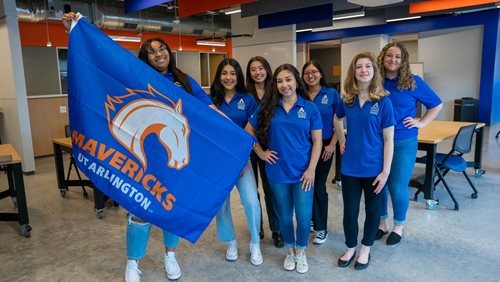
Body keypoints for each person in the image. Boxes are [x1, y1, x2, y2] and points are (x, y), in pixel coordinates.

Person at [62, 12, 223, 282]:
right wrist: (75, 32)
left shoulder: (185, 81)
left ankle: (170, 256)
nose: (158, 54)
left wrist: (237, 133)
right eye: (152, 51)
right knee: (139, 210)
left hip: (173, 158)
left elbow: (210, 110)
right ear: (145, 58)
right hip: (144, 159)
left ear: (169, 52)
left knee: (174, 207)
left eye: (162, 49)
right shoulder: (136, 76)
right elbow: (104, 61)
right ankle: (133, 262)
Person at [245, 64, 322, 274]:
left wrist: (312, 169)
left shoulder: (310, 108)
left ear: (296, 81)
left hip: (303, 173)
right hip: (277, 172)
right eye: (279, 81)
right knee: (285, 215)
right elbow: (248, 130)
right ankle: (290, 250)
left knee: (304, 215)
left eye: (288, 79)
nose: (284, 85)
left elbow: (317, 141)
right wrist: (260, 152)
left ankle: (302, 251)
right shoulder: (269, 108)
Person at [375, 42, 443, 245]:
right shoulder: (376, 81)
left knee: (397, 186)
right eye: (389, 56)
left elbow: (436, 104)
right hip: (377, 141)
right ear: (382, 57)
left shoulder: (413, 82)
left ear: (403, 60)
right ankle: (381, 223)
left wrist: (421, 122)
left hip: (403, 141)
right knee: (378, 184)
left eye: (397, 56)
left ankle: (398, 226)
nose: (393, 60)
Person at [334, 52, 395, 270]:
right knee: (349, 212)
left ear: (374, 71)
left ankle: (366, 248)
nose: (363, 70)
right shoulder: (347, 100)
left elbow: (389, 139)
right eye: (358, 66)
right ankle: (350, 247)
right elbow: (337, 118)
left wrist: (386, 171)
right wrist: (341, 139)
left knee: (372, 211)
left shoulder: (384, 101)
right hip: (350, 167)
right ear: (354, 72)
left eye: (367, 66)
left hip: (374, 169)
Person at [210, 58, 263, 266]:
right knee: (221, 205)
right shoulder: (210, 99)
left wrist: (241, 161)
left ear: (238, 76)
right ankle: (230, 241)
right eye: (224, 73)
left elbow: (249, 134)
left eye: (233, 73)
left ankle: (255, 243)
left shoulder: (248, 100)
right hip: (218, 162)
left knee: (251, 201)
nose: (228, 77)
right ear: (219, 76)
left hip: (242, 161)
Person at [245, 56, 284, 248]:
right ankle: (258, 226)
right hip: (249, 148)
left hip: (270, 149)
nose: (257, 72)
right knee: (253, 191)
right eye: (253, 69)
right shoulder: (245, 95)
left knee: (271, 190)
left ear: (267, 70)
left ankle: (276, 229)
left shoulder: (276, 91)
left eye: (261, 68)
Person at [301, 60, 340, 244]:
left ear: (321, 74)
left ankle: (321, 227)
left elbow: (339, 120)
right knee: (305, 184)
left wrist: (332, 144)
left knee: (318, 185)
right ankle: (310, 219)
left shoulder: (331, 93)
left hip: (324, 145)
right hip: (304, 145)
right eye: (307, 73)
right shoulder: (301, 95)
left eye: (314, 72)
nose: (311, 75)